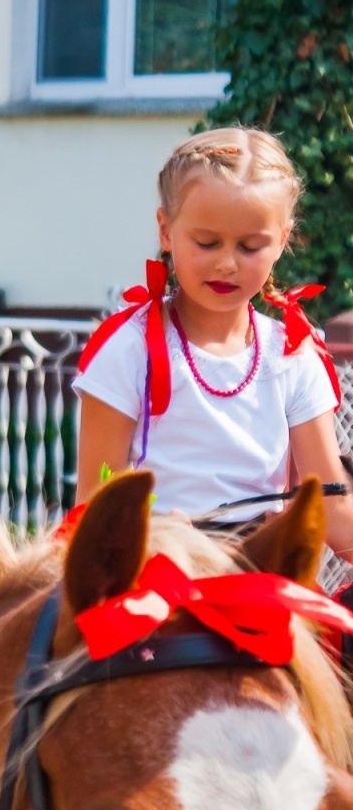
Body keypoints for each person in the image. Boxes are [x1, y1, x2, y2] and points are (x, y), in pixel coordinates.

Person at [72, 126, 353, 553]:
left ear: (282, 240)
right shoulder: (129, 352)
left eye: (250, 246)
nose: (226, 263)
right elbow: (92, 504)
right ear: (165, 231)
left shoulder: (293, 356)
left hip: (258, 571)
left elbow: (331, 508)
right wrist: (154, 535)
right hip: (154, 568)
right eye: (206, 242)